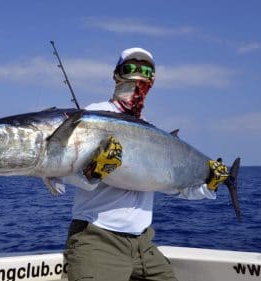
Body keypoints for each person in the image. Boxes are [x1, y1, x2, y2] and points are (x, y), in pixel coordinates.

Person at [63, 47, 229, 281]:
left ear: (152, 80)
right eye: (130, 68)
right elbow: (59, 172)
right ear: (116, 74)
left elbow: (171, 187)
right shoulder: (92, 115)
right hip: (98, 238)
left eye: (146, 70)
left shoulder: (151, 131)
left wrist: (207, 185)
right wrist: (91, 172)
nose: (138, 75)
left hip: (143, 243)